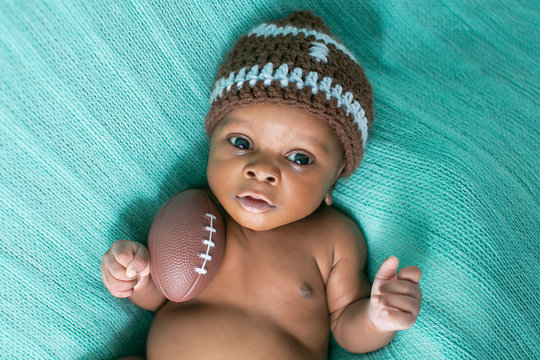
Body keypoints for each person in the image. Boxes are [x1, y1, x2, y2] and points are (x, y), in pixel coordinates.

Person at [101, 10, 422, 359]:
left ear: (334, 180)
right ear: (212, 143)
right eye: (241, 143)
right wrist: (135, 275)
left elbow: (347, 328)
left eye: (299, 158)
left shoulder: (333, 239)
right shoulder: (196, 213)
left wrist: (376, 318)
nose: (262, 170)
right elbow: (159, 296)